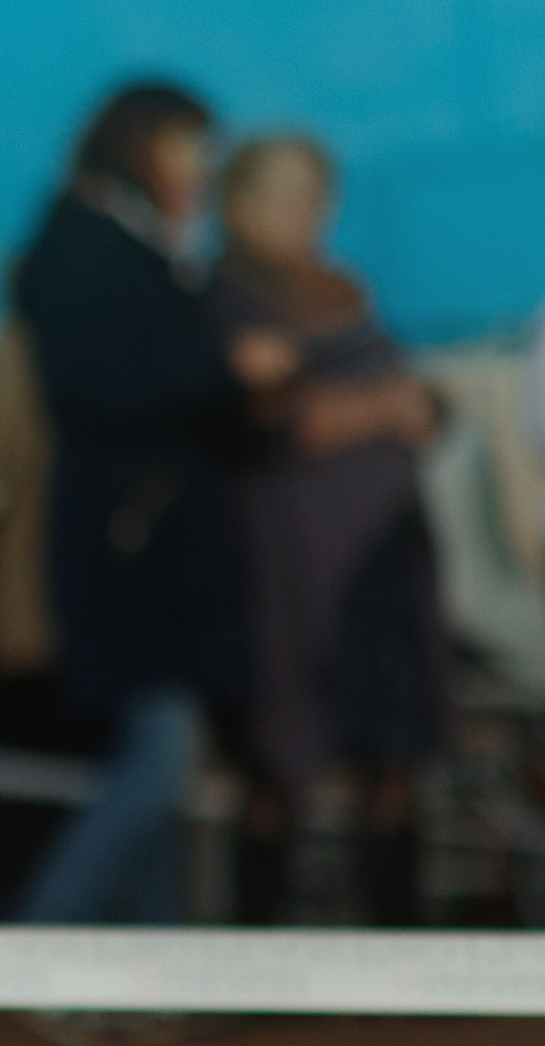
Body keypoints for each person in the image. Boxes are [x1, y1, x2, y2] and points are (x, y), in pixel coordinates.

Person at [10, 83, 299, 924]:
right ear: (138, 145)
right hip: (130, 548)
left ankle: (149, 972)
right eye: (185, 149)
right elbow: (94, 385)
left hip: (157, 546)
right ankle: (39, 944)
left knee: (167, 761)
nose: (197, 171)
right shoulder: (86, 245)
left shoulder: (139, 248)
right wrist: (228, 372)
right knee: (165, 756)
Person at [212, 134, 446, 924]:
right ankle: (255, 963)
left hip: (385, 550)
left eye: (313, 195)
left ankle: (399, 965)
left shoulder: (344, 291)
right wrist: (385, 408)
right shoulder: (223, 299)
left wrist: (417, 407)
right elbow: (274, 424)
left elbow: (415, 402)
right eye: (281, 195)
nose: (302, 214)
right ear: (235, 205)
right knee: (279, 750)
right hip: (288, 563)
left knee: (393, 752)